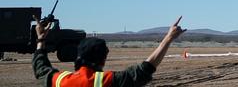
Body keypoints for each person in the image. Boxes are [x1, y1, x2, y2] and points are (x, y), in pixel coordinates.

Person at [32, 15, 186, 87]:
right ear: (103, 59)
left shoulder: (59, 80)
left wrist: (41, 39)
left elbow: (41, 68)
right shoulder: (107, 80)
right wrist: (168, 38)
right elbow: (145, 69)